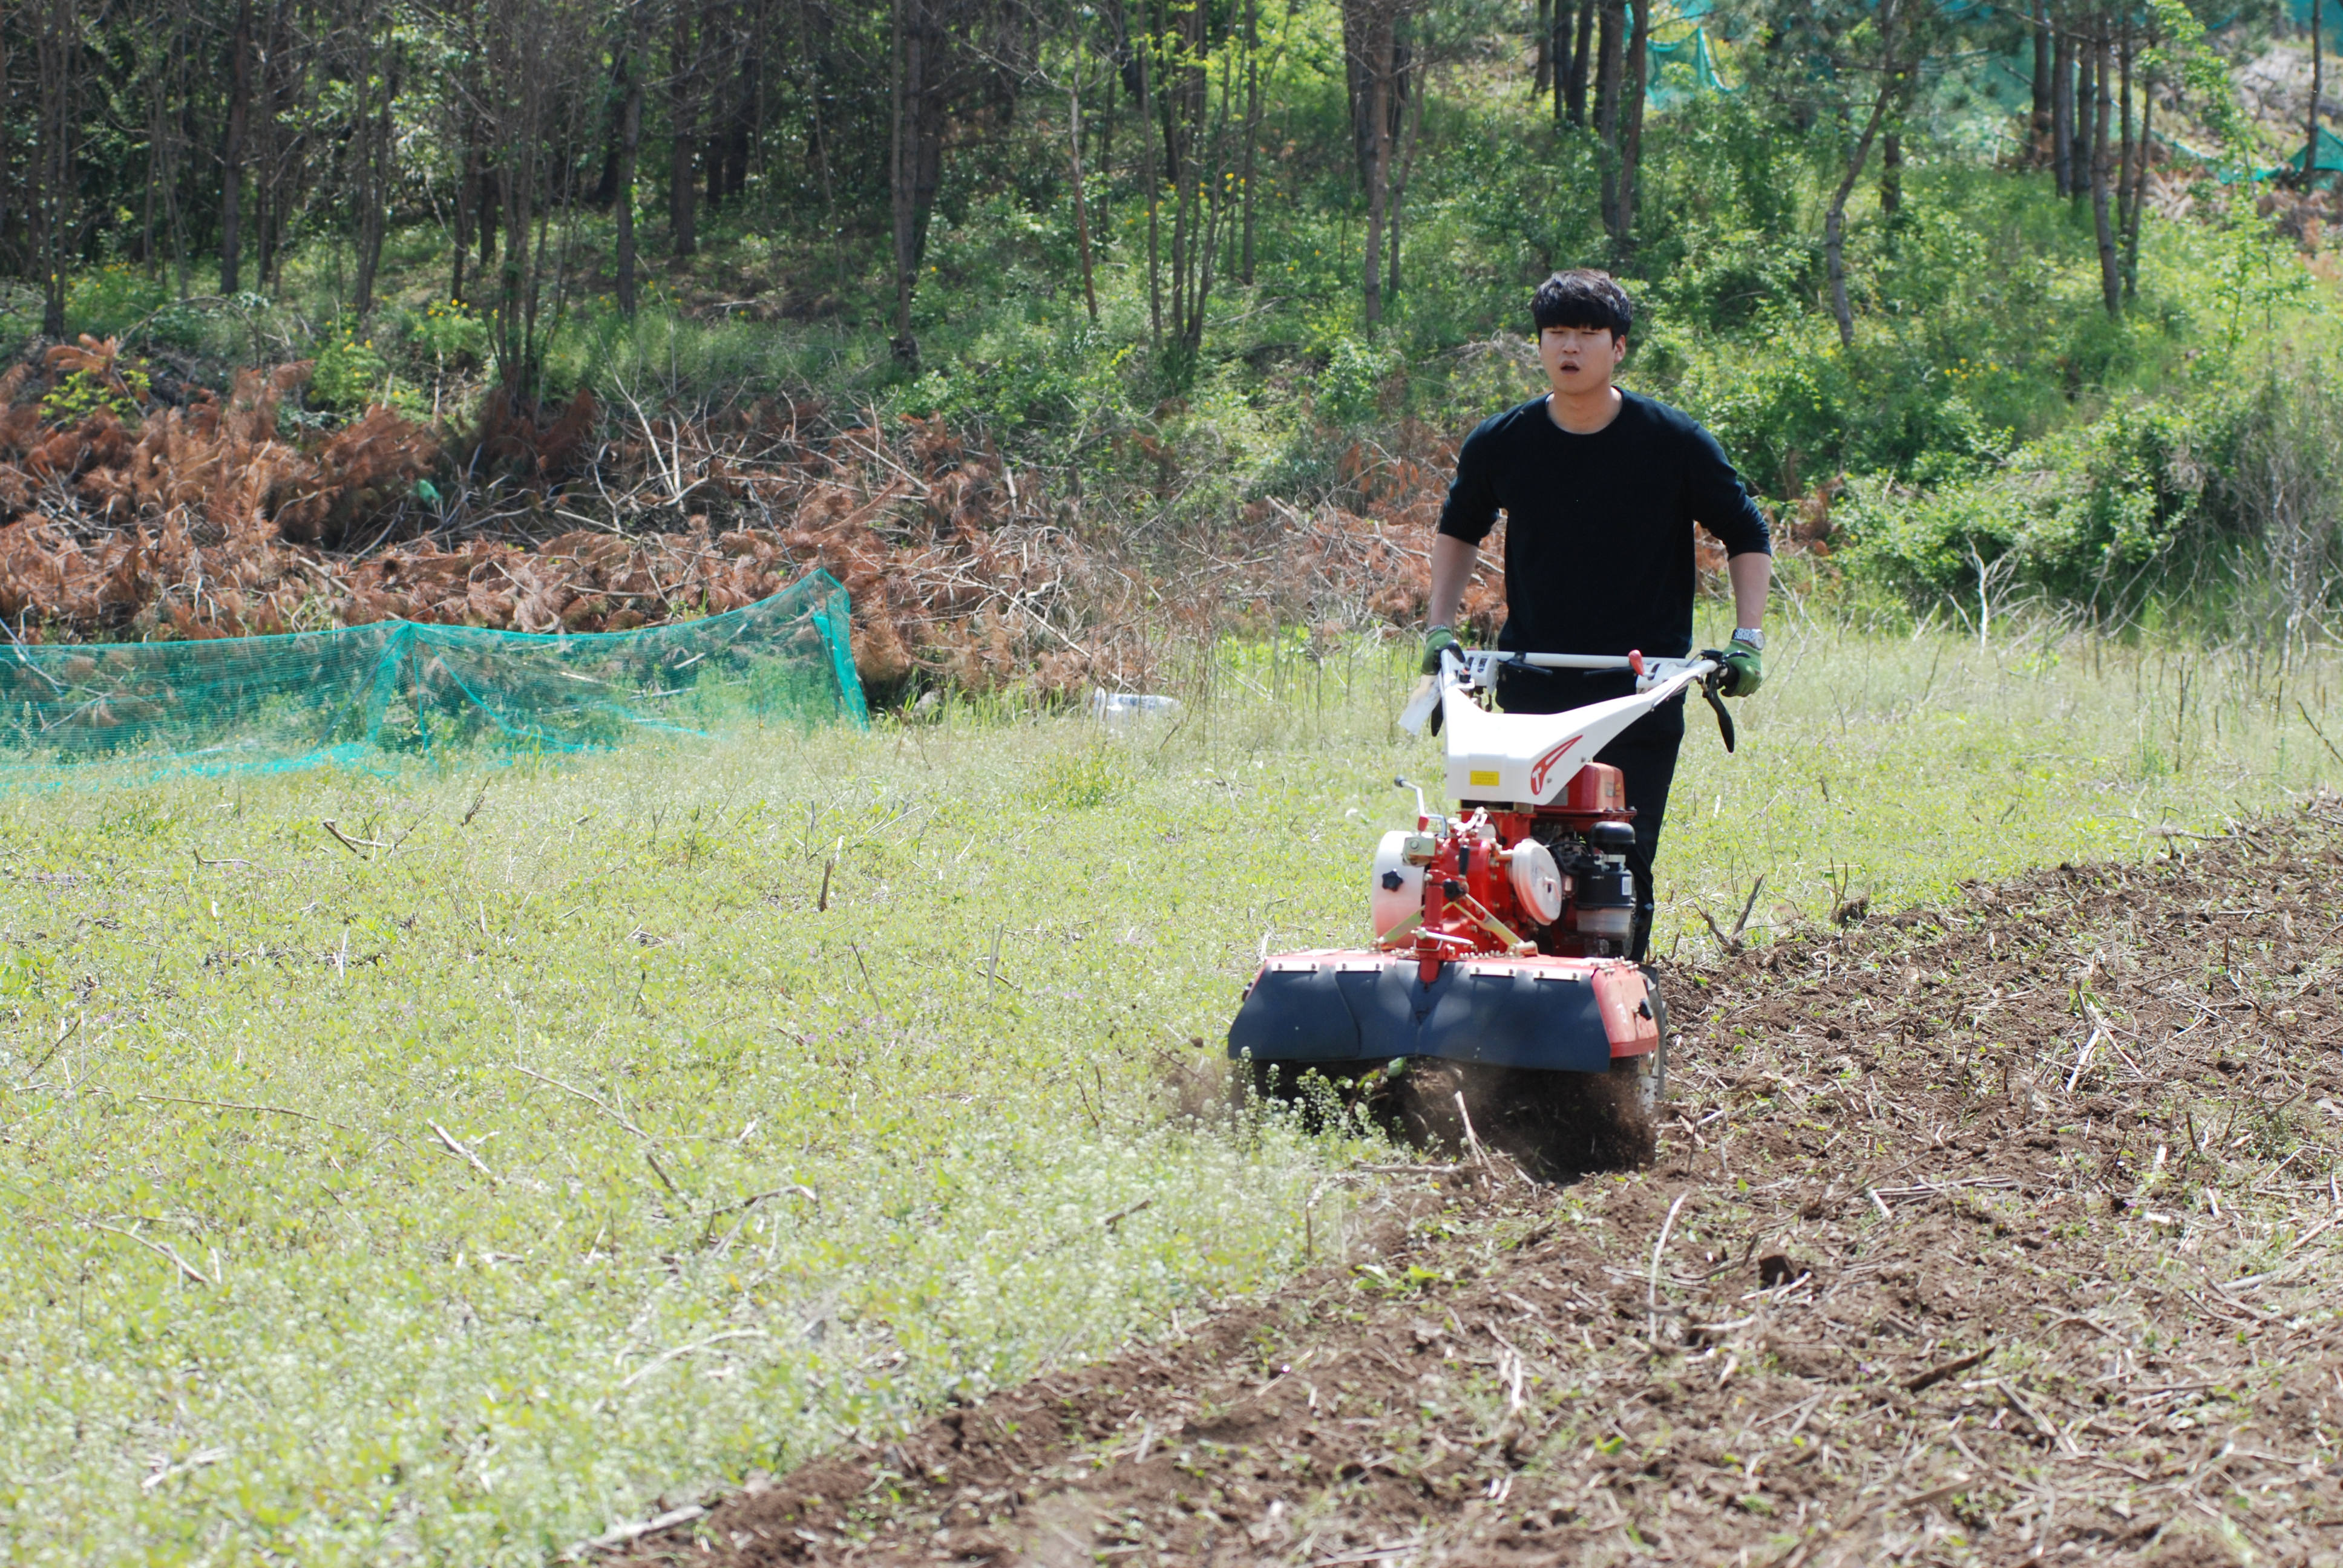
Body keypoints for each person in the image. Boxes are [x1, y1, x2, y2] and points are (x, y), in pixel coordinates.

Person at [1421, 269, 1773, 961]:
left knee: (1619, 854)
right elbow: (1458, 528)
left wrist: (1747, 638)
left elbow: (1746, 531)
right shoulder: (1503, 441)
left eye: (1586, 334)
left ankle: (1618, 984)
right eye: (1556, 333)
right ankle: (1507, 982)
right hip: (1531, 681)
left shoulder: (1672, 441)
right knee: (1511, 854)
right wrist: (1440, 627)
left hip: (1641, 686)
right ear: (1540, 344)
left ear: (1617, 347)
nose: (1569, 348)